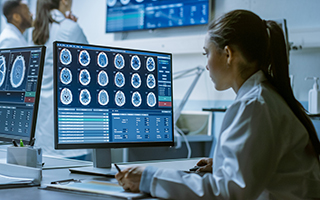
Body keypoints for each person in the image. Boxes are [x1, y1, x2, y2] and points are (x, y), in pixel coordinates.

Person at [115, 10, 320, 199]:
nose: (206, 65)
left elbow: (228, 193)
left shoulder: (254, 105)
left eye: (207, 53)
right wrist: (223, 164)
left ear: (228, 54)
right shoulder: (266, 96)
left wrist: (149, 178)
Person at [32, 0, 89, 159]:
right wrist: (72, 27)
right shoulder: (70, 28)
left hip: (41, 129)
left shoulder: (35, 31)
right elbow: (90, 69)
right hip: (67, 130)